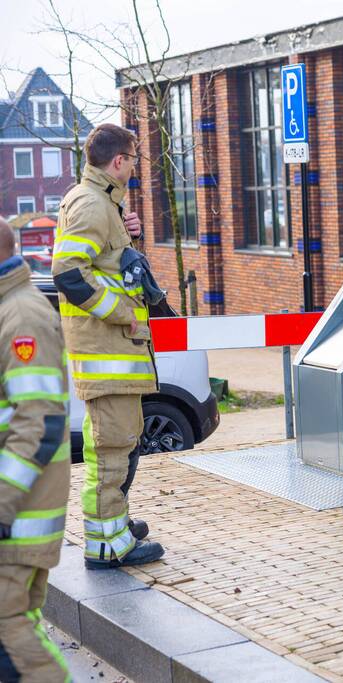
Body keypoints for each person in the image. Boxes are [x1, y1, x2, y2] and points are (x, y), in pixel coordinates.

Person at [53, 123, 165, 569]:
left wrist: (127, 236)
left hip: (115, 352)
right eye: (134, 160)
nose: (135, 168)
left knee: (120, 444)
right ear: (119, 161)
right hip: (108, 351)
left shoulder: (103, 204)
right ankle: (106, 545)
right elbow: (68, 273)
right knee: (110, 450)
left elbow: (103, 265)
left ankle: (116, 526)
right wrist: (122, 311)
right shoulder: (91, 204)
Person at [0, 217, 72, 681]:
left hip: (19, 516)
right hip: (16, 513)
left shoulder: (22, 316)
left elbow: (38, 423)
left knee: (9, 632)